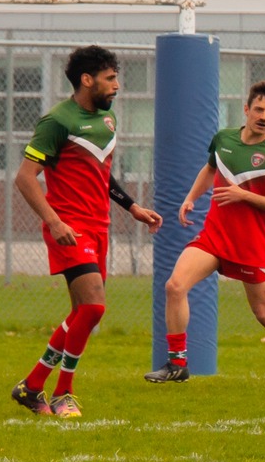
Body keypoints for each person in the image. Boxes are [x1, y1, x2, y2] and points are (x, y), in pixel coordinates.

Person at [9, 44, 160, 419]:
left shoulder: (107, 121)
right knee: (93, 306)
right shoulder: (57, 121)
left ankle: (31, 386)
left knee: (83, 313)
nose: (117, 86)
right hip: (70, 229)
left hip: (99, 228)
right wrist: (55, 221)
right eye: (110, 79)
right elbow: (25, 179)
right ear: (86, 80)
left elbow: (101, 174)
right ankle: (64, 393)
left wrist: (132, 206)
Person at [145, 80, 265, 386]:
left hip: (250, 244)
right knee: (174, 286)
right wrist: (191, 197)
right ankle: (177, 362)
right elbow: (210, 168)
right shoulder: (223, 139)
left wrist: (245, 195)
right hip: (213, 238)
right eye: (258, 109)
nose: (263, 115)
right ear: (246, 109)